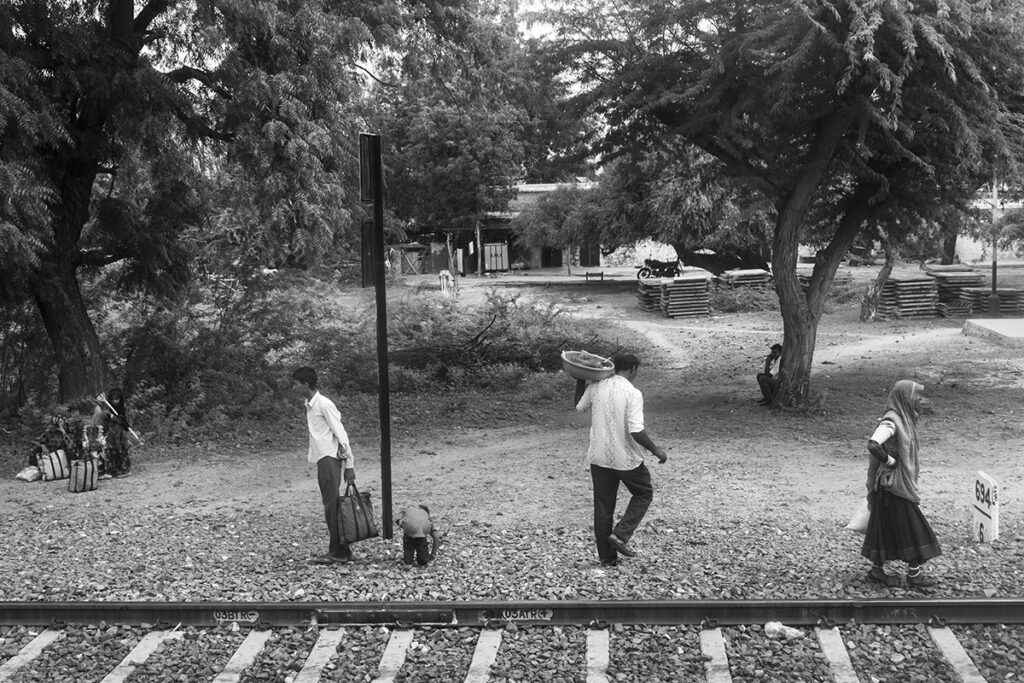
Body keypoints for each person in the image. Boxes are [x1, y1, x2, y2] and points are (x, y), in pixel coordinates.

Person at [574, 353, 668, 567]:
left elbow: (579, 406)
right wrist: (656, 450)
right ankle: (620, 534)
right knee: (644, 493)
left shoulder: (597, 385)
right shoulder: (632, 393)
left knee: (603, 506)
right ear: (633, 368)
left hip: (599, 457)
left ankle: (607, 559)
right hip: (625, 458)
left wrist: (580, 377)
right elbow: (636, 430)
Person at [862, 379, 941, 588]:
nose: (920, 401)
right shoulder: (892, 421)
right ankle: (914, 575)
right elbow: (873, 444)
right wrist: (892, 462)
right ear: (906, 398)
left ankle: (877, 571)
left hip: (889, 489)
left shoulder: (904, 420)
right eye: (916, 397)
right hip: (892, 487)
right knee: (913, 528)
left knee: (886, 529)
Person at [292, 367, 357, 565]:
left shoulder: (324, 404)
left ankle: (337, 551)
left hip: (330, 458)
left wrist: (349, 465)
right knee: (331, 504)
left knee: (332, 505)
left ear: (305, 385)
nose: (293, 387)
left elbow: (341, 433)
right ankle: (342, 550)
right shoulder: (310, 405)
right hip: (323, 458)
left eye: (296, 384)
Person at [96, 388, 131, 477]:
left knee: (121, 451)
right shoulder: (109, 409)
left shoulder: (122, 409)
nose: (115, 401)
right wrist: (108, 416)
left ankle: (125, 470)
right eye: (113, 399)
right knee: (112, 451)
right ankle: (115, 470)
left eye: (117, 399)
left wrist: (113, 417)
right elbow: (105, 420)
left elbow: (123, 421)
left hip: (120, 435)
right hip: (112, 434)